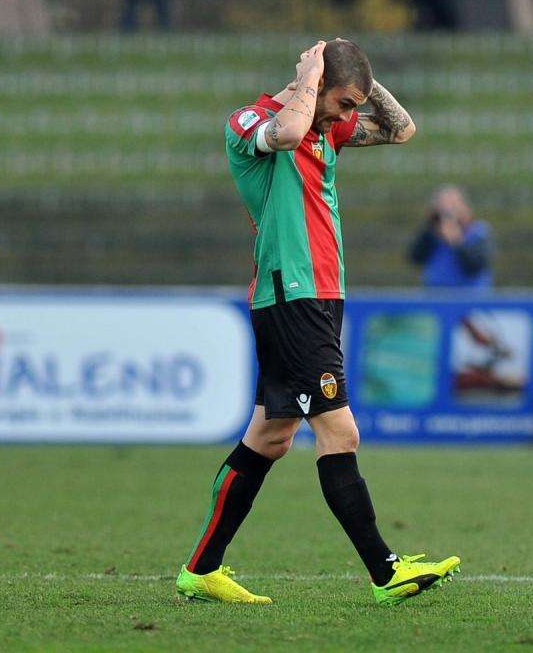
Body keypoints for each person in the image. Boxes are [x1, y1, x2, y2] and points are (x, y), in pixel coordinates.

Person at [174, 39, 460, 606]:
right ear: (315, 85)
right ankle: (385, 571)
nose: (349, 116)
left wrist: (358, 78)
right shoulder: (249, 121)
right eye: (343, 103)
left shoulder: (326, 127)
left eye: (355, 106)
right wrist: (310, 77)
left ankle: (201, 571)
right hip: (291, 295)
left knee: (270, 436)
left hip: (323, 294)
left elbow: (402, 129)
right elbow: (283, 133)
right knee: (340, 431)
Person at [409, 185, 493, 288]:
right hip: (435, 292)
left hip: (469, 293)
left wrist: (457, 242)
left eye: (453, 205)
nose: (448, 211)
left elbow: (476, 265)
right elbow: (415, 257)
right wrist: (431, 232)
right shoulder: (431, 233)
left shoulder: (478, 232)